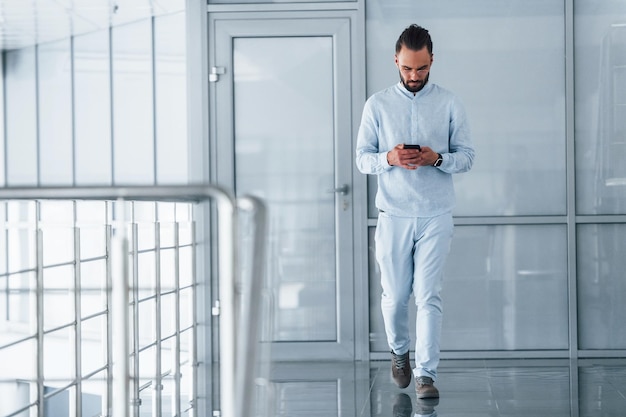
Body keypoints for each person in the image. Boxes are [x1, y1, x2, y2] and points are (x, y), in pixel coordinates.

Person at [355, 24, 474, 399]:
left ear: (432, 61)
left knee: (428, 295)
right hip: (393, 214)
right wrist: (389, 158)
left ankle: (425, 375)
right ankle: (399, 352)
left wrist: (436, 158)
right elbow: (361, 160)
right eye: (407, 68)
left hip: (436, 213)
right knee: (394, 297)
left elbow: (467, 158)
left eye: (421, 68)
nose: (414, 76)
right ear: (396, 61)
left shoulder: (450, 102)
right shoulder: (376, 105)